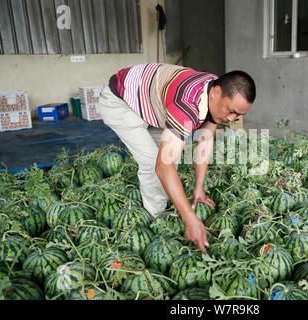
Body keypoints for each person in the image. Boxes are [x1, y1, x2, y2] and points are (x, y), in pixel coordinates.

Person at [99, 63, 256, 252]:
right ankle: (156, 221)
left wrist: (199, 188)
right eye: (230, 111)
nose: (231, 119)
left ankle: (165, 207)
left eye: (238, 115)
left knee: (169, 153)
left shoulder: (215, 91)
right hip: (119, 101)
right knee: (154, 162)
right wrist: (189, 217)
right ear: (215, 92)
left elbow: (205, 140)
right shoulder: (186, 107)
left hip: (150, 99)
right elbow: (163, 166)